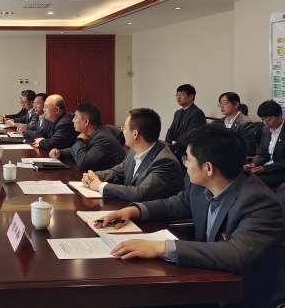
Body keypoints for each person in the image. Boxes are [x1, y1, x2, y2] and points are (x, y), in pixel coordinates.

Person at [98, 124, 285, 308]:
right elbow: (172, 205)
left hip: (239, 293)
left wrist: (161, 247)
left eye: (188, 159)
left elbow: (236, 253)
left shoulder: (259, 203)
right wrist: (133, 211)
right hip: (204, 277)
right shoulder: (201, 187)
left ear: (208, 168)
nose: (185, 164)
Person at [81, 108, 183, 202]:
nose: (122, 131)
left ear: (135, 134)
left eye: (124, 128)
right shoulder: (133, 151)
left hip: (155, 215)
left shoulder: (165, 161)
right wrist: (93, 176)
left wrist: (100, 186)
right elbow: (117, 172)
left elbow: (140, 194)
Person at [49, 101, 124, 171]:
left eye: (75, 117)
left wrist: (79, 140)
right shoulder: (93, 133)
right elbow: (77, 150)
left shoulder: (102, 138)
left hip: (108, 179)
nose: (73, 120)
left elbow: (83, 163)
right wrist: (60, 153)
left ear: (86, 122)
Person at [246, 100, 285, 190]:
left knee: (254, 182)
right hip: (265, 167)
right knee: (242, 176)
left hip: (281, 171)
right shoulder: (266, 130)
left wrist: (265, 169)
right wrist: (253, 164)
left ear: (280, 116)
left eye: (268, 119)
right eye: (262, 120)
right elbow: (261, 153)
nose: (265, 123)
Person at [165, 84, 206, 158]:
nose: (178, 97)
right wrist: (166, 145)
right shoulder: (177, 113)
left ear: (191, 96)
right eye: (177, 94)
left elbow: (190, 136)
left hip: (186, 152)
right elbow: (171, 130)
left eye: (181, 94)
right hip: (174, 149)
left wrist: (173, 149)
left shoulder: (197, 113)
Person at [214, 92, 257, 156]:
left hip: (236, 157)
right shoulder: (220, 122)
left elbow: (249, 150)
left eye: (225, 103)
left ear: (236, 104)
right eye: (220, 103)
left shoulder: (245, 123)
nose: (222, 106)